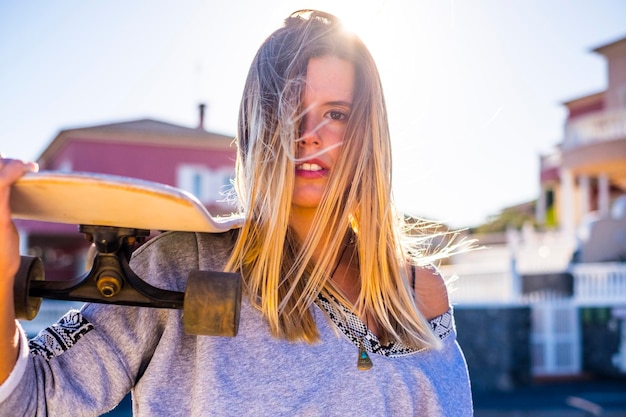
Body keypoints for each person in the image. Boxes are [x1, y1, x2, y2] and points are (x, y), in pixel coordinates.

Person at [0, 10, 473, 416]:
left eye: (336, 114)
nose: (307, 134)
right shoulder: (180, 267)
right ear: (256, 125)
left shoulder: (420, 293)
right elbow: (32, 400)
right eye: (288, 108)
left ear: (369, 132)